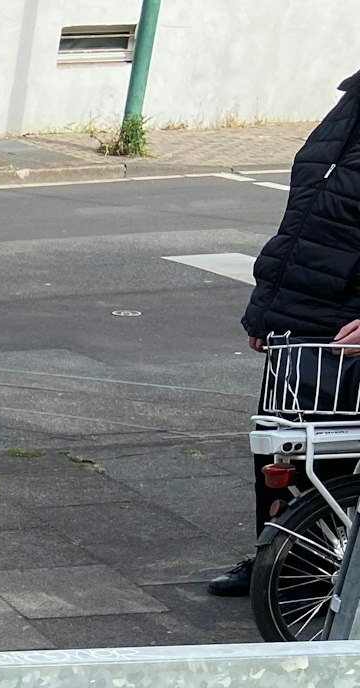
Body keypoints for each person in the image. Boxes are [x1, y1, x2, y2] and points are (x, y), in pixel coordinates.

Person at [210, 66, 360, 597]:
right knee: (280, 452)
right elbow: (301, 219)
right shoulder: (352, 102)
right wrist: (266, 307)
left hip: (347, 322)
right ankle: (278, 560)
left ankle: (321, 574)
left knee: (335, 459)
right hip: (302, 312)